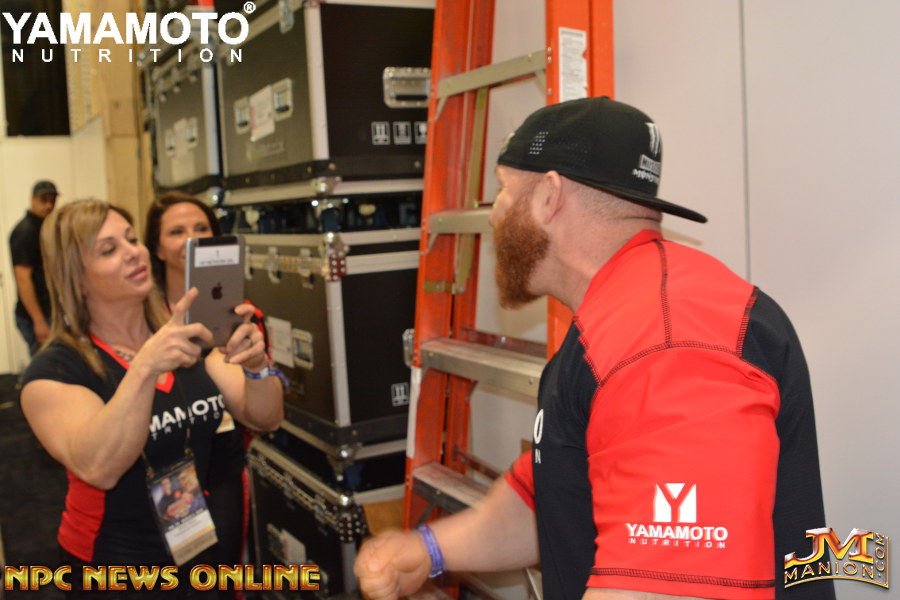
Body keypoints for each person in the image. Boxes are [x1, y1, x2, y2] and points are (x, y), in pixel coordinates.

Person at [353, 97, 834, 600]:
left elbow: (671, 590)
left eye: (502, 190)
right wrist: (428, 550)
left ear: (549, 195)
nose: (494, 216)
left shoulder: (666, 341)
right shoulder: (621, 314)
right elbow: (559, 493)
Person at [19, 199, 283, 598]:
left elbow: (265, 417)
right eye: (109, 250)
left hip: (196, 549)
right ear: (77, 279)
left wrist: (257, 366)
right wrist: (143, 367)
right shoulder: (53, 371)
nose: (133, 252)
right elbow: (99, 466)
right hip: (113, 565)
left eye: (131, 239)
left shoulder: (188, 334)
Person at [144, 191, 263, 594]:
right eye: (176, 232)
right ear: (157, 247)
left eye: (201, 228)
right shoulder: (140, 316)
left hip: (223, 465)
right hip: (156, 472)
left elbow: (260, 407)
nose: (191, 239)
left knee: (221, 580)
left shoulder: (241, 313)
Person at [9, 180, 58, 355]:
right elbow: (23, 278)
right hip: (36, 316)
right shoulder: (26, 232)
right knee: (45, 363)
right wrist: (38, 320)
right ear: (33, 199)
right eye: (44, 200)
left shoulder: (44, 227)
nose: (49, 205)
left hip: (48, 311)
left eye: (52, 200)